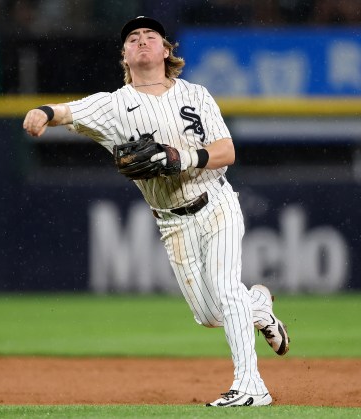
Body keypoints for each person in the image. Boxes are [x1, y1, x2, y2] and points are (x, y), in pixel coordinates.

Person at [23, 16, 290, 408]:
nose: (143, 41)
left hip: (215, 201)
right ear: (125, 56)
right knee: (209, 315)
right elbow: (64, 111)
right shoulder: (113, 105)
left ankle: (251, 386)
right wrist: (40, 114)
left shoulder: (196, 94)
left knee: (227, 289)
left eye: (151, 36)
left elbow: (226, 151)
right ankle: (260, 307)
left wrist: (180, 156)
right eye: (134, 38)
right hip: (171, 221)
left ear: (166, 51)